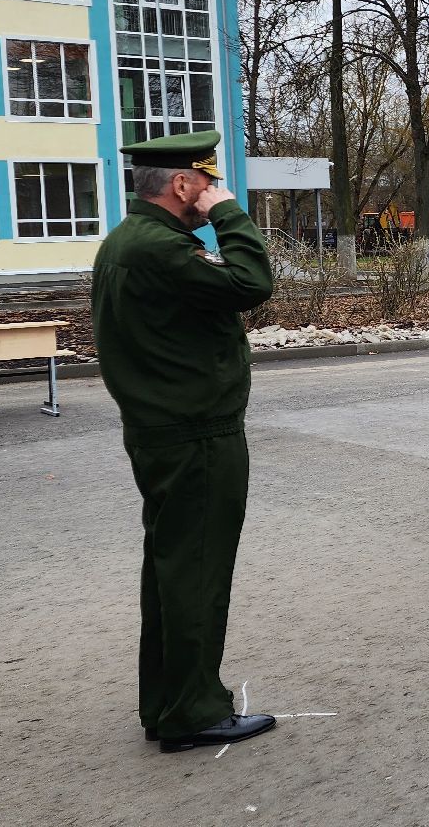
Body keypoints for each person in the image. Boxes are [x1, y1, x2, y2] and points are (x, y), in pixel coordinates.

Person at [92, 131, 278, 753]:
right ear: (181, 184)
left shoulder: (129, 241)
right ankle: (192, 710)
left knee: (173, 569)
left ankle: (168, 702)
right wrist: (229, 213)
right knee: (195, 570)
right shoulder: (162, 248)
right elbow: (252, 282)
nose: (211, 192)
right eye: (205, 182)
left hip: (164, 427)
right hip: (196, 431)